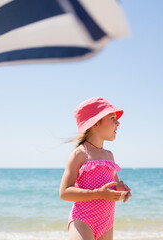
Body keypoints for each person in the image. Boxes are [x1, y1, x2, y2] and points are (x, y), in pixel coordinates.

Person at [60, 97, 132, 240]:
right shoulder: (80, 154)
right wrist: (98, 193)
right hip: (83, 220)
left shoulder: (109, 156)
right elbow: (65, 192)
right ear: (96, 123)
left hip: (106, 223)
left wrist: (121, 191)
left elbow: (112, 188)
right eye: (112, 117)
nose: (118, 122)